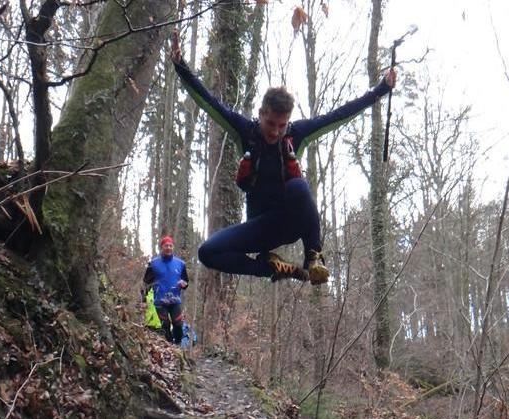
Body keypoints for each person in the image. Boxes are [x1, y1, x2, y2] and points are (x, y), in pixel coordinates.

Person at [169, 31, 396, 285]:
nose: (275, 131)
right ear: (261, 113)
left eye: (281, 124)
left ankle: (313, 258)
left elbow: (340, 114)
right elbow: (210, 103)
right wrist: (181, 67)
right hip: (260, 227)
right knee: (207, 252)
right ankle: (274, 269)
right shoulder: (245, 131)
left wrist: (382, 89)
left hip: (291, 223)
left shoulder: (296, 134)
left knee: (299, 186)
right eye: (270, 123)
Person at [143, 235, 189, 344]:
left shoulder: (181, 264)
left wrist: (184, 284)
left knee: (178, 324)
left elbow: (186, 281)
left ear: (173, 247)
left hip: (175, 300)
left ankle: (177, 345)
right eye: (166, 246)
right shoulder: (153, 264)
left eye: (170, 245)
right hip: (160, 301)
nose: (168, 248)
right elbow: (146, 283)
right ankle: (170, 345)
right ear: (161, 248)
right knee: (165, 325)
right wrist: (143, 300)